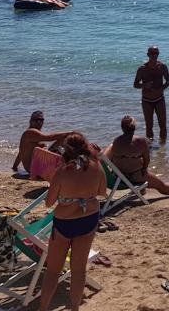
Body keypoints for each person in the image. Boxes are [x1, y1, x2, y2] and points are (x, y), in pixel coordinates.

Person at [38, 133, 106, 311]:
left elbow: (49, 202)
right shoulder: (97, 167)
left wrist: (67, 196)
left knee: (53, 271)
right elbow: (102, 192)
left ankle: (43, 308)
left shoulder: (62, 172)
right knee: (78, 270)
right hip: (88, 219)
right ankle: (75, 308)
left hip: (65, 222)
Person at [106, 116, 169, 196]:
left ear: (122, 128)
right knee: (161, 186)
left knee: (133, 161)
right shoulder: (140, 141)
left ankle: (141, 190)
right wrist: (144, 168)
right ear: (134, 127)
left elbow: (113, 159)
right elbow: (147, 160)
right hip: (134, 177)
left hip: (119, 178)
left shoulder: (116, 141)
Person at [134, 47, 169, 144]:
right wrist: (144, 85)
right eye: (152, 53)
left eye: (156, 53)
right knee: (149, 125)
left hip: (159, 99)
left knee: (163, 125)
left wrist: (161, 89)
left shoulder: (162, 66)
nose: (154, 55)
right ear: (148, 54)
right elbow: (135, 84)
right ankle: (150, 148)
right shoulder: (142, 69)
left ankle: (162, 148)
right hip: (147, 100)